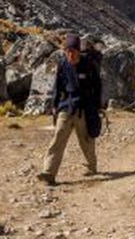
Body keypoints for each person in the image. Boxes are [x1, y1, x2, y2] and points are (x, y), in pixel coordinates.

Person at [37, 34, 102, 185]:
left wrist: (97, 106)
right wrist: (54, 104)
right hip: (66, 106)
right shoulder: (63, 64)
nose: (70, 54)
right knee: (58, 138)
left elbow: (97, 86)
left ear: (79, 51)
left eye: (73, 51)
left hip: (84, 108)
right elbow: (57, 86)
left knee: (86, 141)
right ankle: (49, 172)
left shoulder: (89, 65)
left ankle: (92, 166)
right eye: (67, 51)